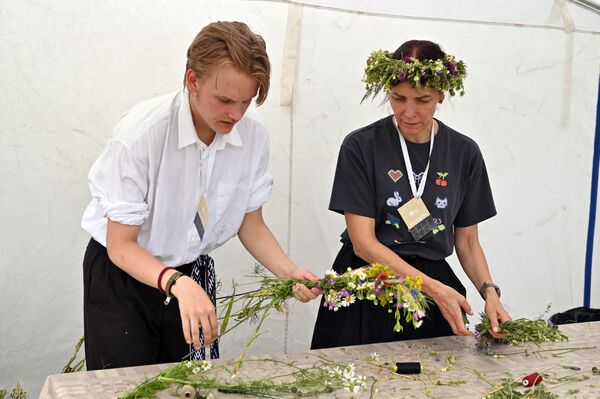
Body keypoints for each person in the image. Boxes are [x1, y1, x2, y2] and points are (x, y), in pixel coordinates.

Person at [81, 21, 320, 370]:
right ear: (192, 80)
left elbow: (250, 224)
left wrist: (290, 271)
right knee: (127, 387)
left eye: (246, 101)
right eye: (224, 100)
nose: (236, 114)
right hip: (124, 278)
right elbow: (121, 245)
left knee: (183, 386)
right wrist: (178, 283)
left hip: (186, 276)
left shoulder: (252, 137)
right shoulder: (142, 134)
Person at [311, 40, 511, 349]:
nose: (409, 112)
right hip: (369, 282)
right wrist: (432, 288)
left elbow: (468, 241)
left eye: (422, 99)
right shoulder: (362, 147)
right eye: (398, 98)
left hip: (433, 287)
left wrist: (490, 292)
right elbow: (364, 244)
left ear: (442, 93)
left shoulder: (464, 153)